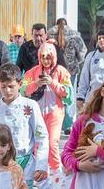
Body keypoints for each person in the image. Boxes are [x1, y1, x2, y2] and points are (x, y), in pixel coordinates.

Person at [22, 42, 73, 172]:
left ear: (54, 56)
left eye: (48, 57)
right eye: (43, 57)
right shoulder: (32, 72)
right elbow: (23, 91)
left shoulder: (61, 71)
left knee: (52, 143)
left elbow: (68, 93)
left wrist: (53, 83)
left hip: (55, 113)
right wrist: (36, 84)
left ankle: (57, 171)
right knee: (38, 144)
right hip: (37, 113)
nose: (46, 60)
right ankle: (40, 170)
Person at [51, 17, 86, 83]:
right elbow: (82, 52)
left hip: (55, 70)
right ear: (67, 25)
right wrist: (76, 61)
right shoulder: (75, 35)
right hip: (71, 70)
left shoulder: (49, 35)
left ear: (56, 25)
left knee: (56, 88)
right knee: (69, 89)